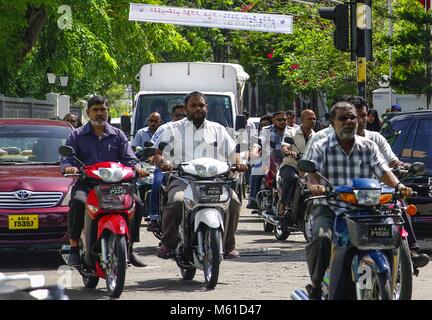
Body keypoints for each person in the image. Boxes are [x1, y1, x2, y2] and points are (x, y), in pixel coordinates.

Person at [304, 99, 413, 300]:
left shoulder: (369, 146)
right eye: (343, 118)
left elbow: (384, 171)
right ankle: (316, 286)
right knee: (321, 238)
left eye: (352, 117)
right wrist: (314, 186)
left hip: (367, 209)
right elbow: (312, 174)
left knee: (391, 232)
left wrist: (399, 186)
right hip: (331, 206)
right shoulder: (321, 146)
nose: (349, 121)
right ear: (333, 121)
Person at [152, 91, 247, 260]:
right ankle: (168, 243)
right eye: (194, 105)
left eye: (201, 105)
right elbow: (158, 152)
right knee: (177, 202)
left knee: (233, 201)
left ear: (207, 107)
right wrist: (163, 162)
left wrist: (238, 163)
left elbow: (233, 153)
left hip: (215, 180)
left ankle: (228, 245)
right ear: (186, 108)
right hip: (183, 179)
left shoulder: (218, 129)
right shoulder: (172, 129)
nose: (198, 108)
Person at [61, 95, 149, 267]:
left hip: (115, 186)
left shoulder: (119, 135)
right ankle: (73, 248)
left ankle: (129, 248)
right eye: (95, 110)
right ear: (88, 113)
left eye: (103, 110)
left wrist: (138, 167)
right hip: (88, 185)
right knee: (78, 202)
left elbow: (129, 159)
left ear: (107, 112)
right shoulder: (76, 136)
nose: (100, 113)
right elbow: (67, 159)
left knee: (137, 203)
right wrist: (69, 167)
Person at [145, 104, 186, 232]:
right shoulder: (165, 128)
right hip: (168, 167)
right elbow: (152, 145)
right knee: (157, 182)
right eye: (177, 115)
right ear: (172, 116)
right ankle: (154, 216)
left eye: (183, 115)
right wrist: (155, 158)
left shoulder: (194, 129)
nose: (180, 118)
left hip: (190, 170)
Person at [279, 109, 316, 215]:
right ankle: (283, 205)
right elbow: (284, 147)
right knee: (292, 178)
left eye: (314, 119)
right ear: (302, 120)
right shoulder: (291, 132)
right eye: (310, 119)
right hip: (290, 165)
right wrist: (289, 152)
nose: (313, 121)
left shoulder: (317, 136)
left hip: (308, 169)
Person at [247, 111, 287, 209]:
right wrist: (254, 152)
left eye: (284, 120)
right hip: (268, 160)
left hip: (287, 161)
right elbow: (259, 142)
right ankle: (253, 199)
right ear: (273, 120)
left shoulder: (292, 130)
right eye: (279, 120)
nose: (282, 122)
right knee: (256, 169)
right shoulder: (266, 130)